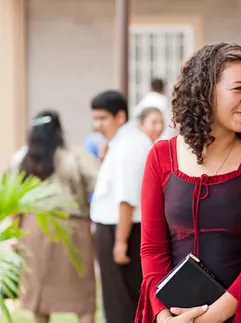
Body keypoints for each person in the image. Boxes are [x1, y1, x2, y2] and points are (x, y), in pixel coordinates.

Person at [134, 42, 241, 323]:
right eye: (238, 88)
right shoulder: (160, 157)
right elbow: (153, 249)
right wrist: (162, 316)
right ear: (206, 92)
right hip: (173, 315)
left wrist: (214, 315)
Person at [15, 110, 99, 323]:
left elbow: (15, 200)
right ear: (59, 131)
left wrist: (16, 234)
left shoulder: (23, 161)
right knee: (83, 297)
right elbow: (98, 184)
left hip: (34, 227)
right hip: (71, 228)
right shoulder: (76, 157)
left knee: (40, 298)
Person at [90, 90, 152, 323]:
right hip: (119, 228)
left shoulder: (128, 146)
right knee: (121, 299)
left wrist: (120, 242)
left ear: (120, 117)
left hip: (122, 229)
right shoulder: (122, 142)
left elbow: (127, 199)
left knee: (121, 302)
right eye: (95, 119)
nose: (98, 125)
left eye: (103, 118)